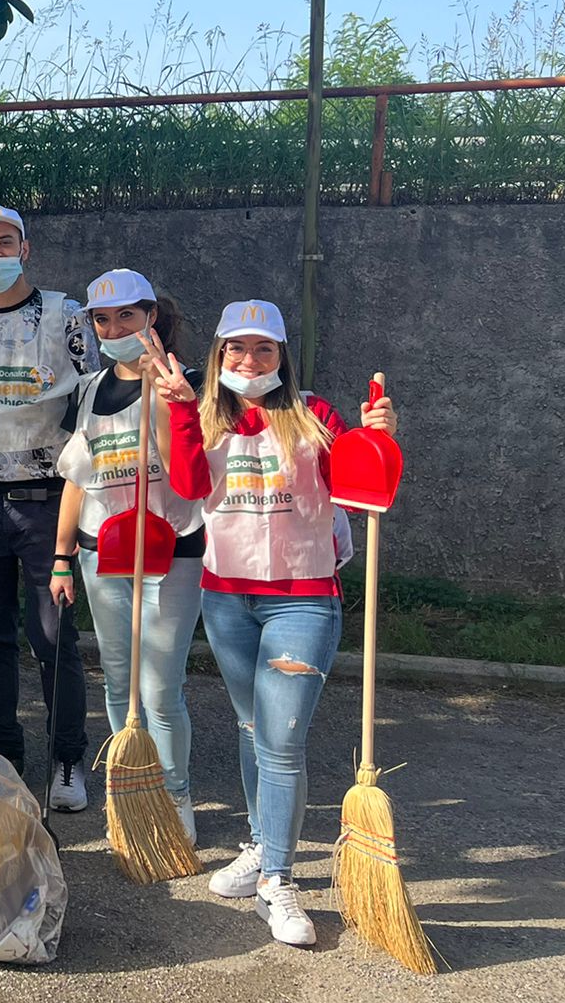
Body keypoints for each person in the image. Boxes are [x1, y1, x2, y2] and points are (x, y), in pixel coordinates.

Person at [164, 298, 395, 947]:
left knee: (281, 740)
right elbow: (185, 486)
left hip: (301, 596)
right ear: (219, 356)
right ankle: (261, 842)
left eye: (263, 349)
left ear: (282, 357)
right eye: (236, 349)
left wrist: (377, 436)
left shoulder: (314, 414)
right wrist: (180, 411)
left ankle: (278, 879)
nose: (249, 360)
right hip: (227, 598)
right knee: (250, 728)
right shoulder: (202, 414)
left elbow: (355, 481)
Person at [0, 205, 97, 811]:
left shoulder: (67, 316)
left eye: (7, 242)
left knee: (52, 633)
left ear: (25, 249)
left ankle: (66, 759)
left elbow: (92, 404)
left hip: (49, 501)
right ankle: (4, 754)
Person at [50, 270, 211, 843]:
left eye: (127, 316)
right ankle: (130, 790)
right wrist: (62, 556)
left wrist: (164, 395)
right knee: (119, 683)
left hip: (172, 554)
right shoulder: (89, 390)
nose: (114, 328)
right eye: (103, 319)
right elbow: (77, 479)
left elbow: (185, 472)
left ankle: (175, 797)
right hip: (102, 554)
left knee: (161, 688)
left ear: (151, 318)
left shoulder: (186, 383)